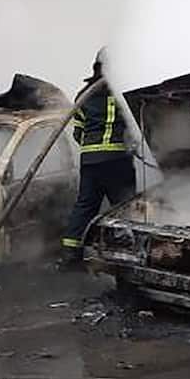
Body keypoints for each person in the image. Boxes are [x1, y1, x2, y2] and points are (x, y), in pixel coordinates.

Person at [59, 52, 136, 268]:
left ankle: (70, 256)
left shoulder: (84, 95)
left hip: (90, 160)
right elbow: (136, 129)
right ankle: (125, 254)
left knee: (85, 206)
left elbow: (78, 132)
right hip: (117, 160)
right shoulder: (124, 92)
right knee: (124, 206)